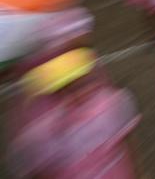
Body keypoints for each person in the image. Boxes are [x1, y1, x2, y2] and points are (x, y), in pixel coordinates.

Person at [13, 49, 140, 178]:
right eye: (63, 90)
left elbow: (125, 142)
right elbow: (40, 171)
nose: (74, 95)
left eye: (81, 85)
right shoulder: (46, 133)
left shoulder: (109, 106)